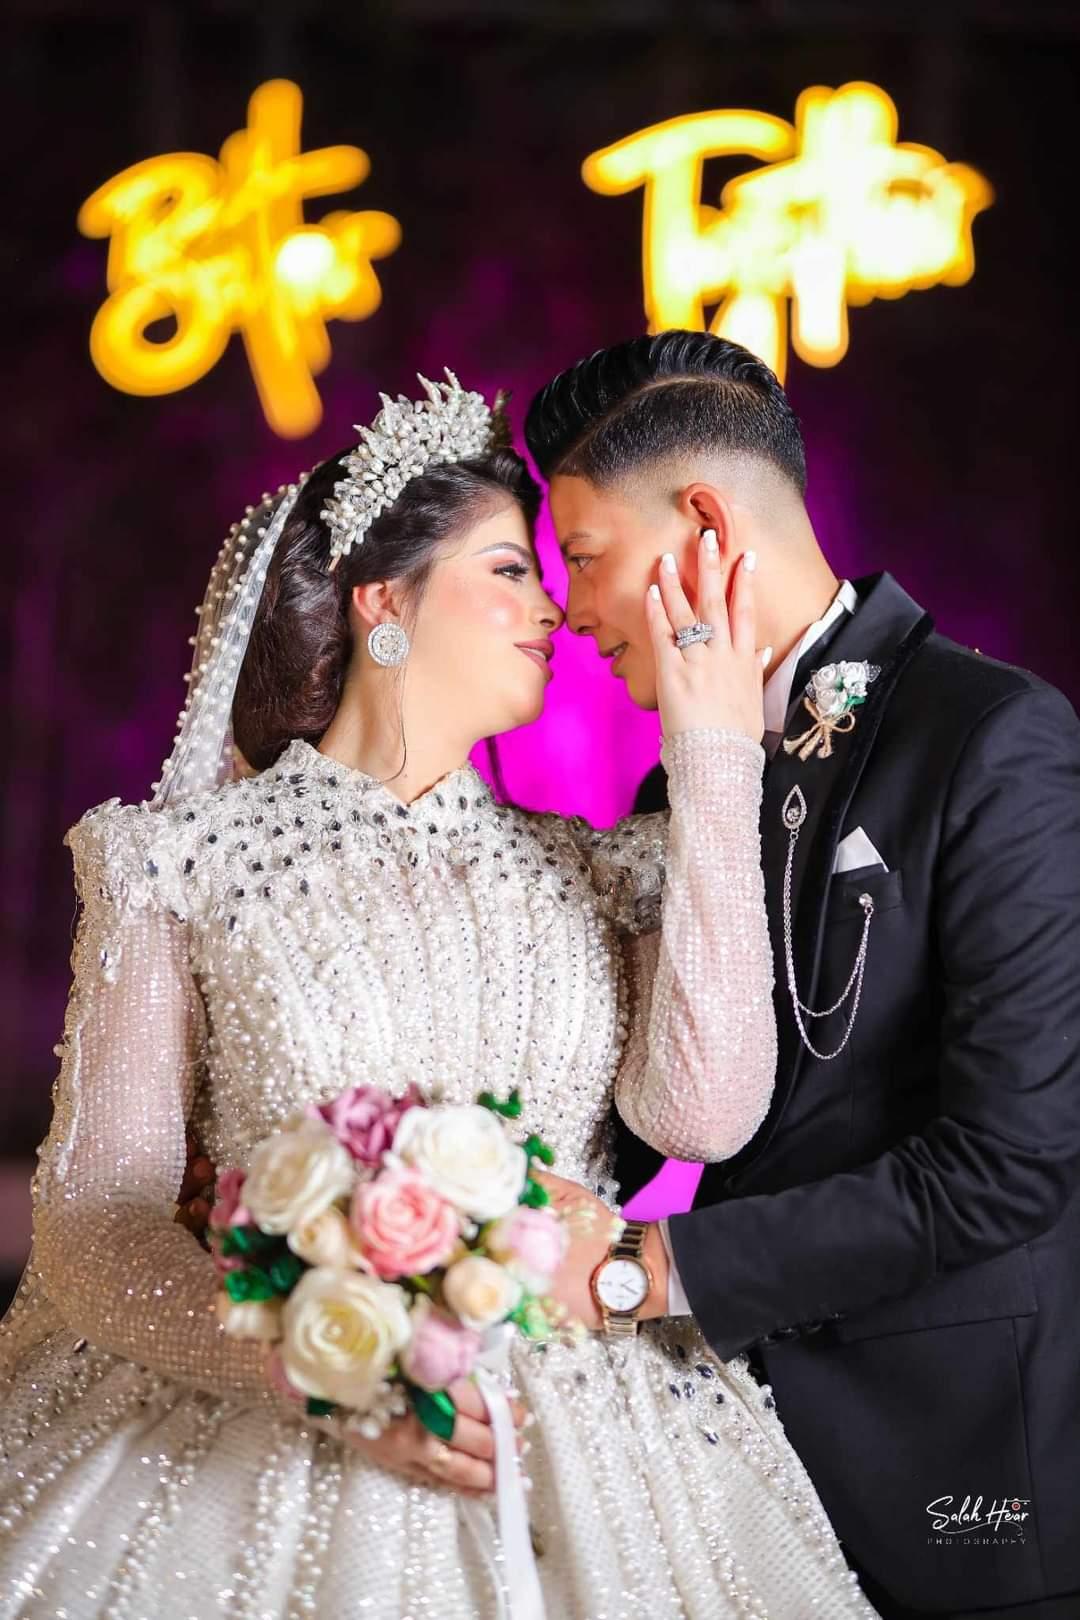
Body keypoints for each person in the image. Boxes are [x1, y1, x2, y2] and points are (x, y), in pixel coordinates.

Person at [0, 374, 879, 1619]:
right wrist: (321, 1373)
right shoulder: (175, 865)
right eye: (511, 570)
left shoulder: (602, 868)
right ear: (383, 602)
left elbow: (703, 1117)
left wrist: (713, 755)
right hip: (266, 1419)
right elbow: (97, 1222)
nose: (556, 610)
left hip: (596, 1434)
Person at [521, 331, 1080, 1620]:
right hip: (725, 1468)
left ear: (706, 525)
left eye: (585, 556)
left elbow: (1010, 1164)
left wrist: (651, 1272)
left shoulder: (988, 739)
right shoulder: (679, 782)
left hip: (955, 1469)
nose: (573, 610)